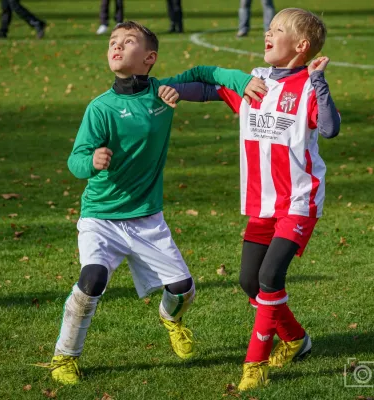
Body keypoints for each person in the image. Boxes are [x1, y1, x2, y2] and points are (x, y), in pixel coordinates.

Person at [39, 21, 267, 385]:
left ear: (149, 58)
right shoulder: (100, 108)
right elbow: (75, 160)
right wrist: (92, 161)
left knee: (183, 290)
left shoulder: (164, 94)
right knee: (92, 278)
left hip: (147, 219)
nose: (116, 46)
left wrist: (241, 82)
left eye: (128, 42)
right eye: (113, 41)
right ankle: (63, 357)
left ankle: (171, 318)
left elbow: (207, 75)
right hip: (101, 216)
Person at [160, 7, 340, 391]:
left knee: (270, 276)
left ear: (301, 46)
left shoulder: (307, 87)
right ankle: (296, 340)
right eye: (268, 28)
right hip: (262, 204)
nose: (266, 34)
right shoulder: (254, 82)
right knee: (249, 283)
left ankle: (254, 365)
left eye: (276, 30)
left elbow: (329, 128)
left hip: (297, 202)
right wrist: (167, 87)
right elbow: (206, 84)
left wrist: (320, 83)